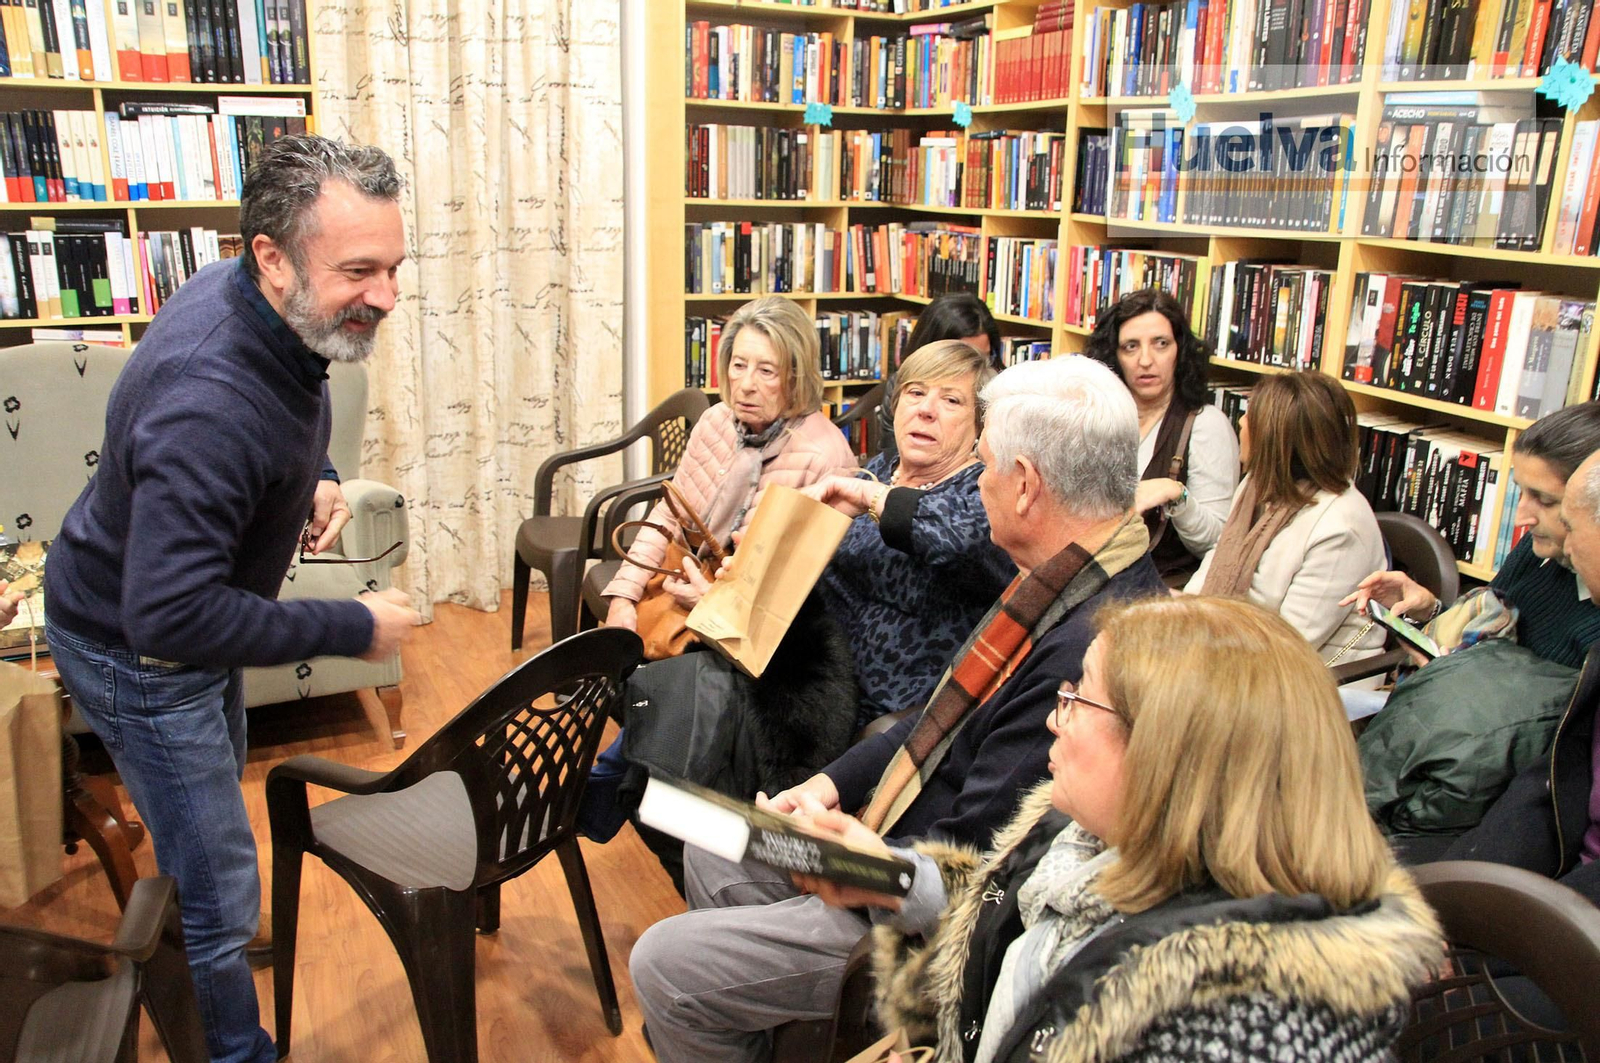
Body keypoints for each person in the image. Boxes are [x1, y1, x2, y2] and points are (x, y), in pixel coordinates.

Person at [628, 356, 1167, 1063]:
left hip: (921, 904)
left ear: (1027, 485)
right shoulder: (1056, 579)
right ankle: (780, 1016)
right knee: (712, 840)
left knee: (663, 961)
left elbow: (983, 865)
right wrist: (824, 787)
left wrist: (859, 858)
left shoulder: (1089, 649)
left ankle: (771, 997)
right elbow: (933, 710)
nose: (976, 484)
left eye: (985, 465)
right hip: (891, 843)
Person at [43, 135, 421, 1063]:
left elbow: (290, 399)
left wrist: (319, 477)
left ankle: (211, 901)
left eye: (395, 267)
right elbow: (168, 616)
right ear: (271, 255)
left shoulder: (267, 308)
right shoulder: (207, 394)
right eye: (360, 270)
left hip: (169, 626)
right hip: (141, 649)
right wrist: (352, 623)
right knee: (215, 893)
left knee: (210, 842)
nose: (386, 295)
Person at [849, 596, 1443, 1063]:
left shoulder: (1242, 1030)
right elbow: (1002, 914)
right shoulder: (1087, 836)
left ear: (1167, 757)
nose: (1058, 720)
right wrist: (885, 877)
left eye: (1081, 699)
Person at [602, 295, 856, 626]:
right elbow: (668, 515)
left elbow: (800, 596)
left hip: (742, 630)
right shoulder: (715, 420)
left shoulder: (826, 458)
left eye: (767, 371)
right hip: (678, 580)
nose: (747, 385)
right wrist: (624, 596)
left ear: (797, 376)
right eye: (739, 365)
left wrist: (711, 603)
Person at [805, 339, 1015, 729]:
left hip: (895, 709)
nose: (926, 410)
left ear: (979, 425)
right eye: (915, 392)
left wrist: (872, 497)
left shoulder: (983, 491)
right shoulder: (882, 467)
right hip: (817, 676)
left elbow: (959, 543)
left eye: (951, 401)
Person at [1442, 446, 1600, 910]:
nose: (1565, 545)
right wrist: (1455, 903)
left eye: (1570, 524)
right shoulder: (1538, 561)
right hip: (1548, 883)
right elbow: (1548, 785)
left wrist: (1517, 925)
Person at [1345, 401, 1600, 671]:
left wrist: (1450, 676)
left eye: (1545, 500)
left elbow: (1544, 707)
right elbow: (1484, 638)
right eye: (1520, 492)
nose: (1521, 519)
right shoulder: (1539, 551)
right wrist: (1431, 612)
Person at [1186, 370, 1385, 664]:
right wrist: (1178, 618)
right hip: (1231, 650)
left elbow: (1291, 645)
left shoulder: (1341, 527)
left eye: (1249, 417)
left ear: (1275, 439)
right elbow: (1216, 562)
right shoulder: (1256, 485)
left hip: (1308, 682)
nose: (1240, 422)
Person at [1084, 288, 1239, 585]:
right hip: (1094, 578)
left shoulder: (1206, 425)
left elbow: (1215, 543)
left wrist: (1177, 496)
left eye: (1161, 344)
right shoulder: (1100, 418)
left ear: (1179, 350)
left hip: (1161, 592)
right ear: (1114, 356)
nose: (1145, 360)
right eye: (1131, 346)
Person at [877, 292, 1001, 463]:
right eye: (917, 393)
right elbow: (892, 456)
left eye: (983, 357)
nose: (976, 366)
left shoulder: (1000, 394)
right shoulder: (901, 385)